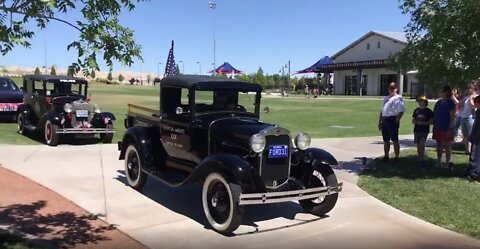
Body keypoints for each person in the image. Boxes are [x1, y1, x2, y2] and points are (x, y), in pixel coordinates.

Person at [378, 82, 405, 163]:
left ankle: (396, 157)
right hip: (385, 120)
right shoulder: (386, 98)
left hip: (392, 119)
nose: (391, 89)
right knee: (386, 140)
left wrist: (397, 120)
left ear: (396, 89)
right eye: (390, 88)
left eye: (393, 88)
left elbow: (401, 111)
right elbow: (382, 111)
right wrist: (380, 122)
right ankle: (386, 156)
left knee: (395, 140)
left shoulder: (398, 98)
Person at [432, 85, 456, 169]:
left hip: (447, 128)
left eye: (441, 91)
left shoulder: (450, 103)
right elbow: (434, 115)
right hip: (438, 127)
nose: (439, 92)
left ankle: (447, 163)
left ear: (446, 92)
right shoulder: (438, 102)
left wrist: (450, 128)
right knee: (439, 145)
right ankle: (439, 161)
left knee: (447, 145)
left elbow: (452, 117)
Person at [412, 95, 434, 166]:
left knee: (422, 144)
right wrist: (415, 121)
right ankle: (419, 158)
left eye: (421, 101)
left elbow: (431, 122)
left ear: (425, 102)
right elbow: (413, 119)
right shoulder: (416, 110)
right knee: (418, 145)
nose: (420, 102)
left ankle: (422, 159)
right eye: (419, 101)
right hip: (417, 129)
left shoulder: (429, 111)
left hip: (424, 130)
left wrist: (422, 123)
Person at [458, 82, 478, 154]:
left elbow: (473, 106)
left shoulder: (476, 97)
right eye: (468, 88)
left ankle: (473, 150)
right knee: (465, 135)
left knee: (471, 135)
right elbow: (459, 103)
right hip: (463, 117)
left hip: (470, 118)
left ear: (474, 89)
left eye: (470, 88)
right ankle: (467, 150)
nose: (468, 90)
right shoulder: (466, 97)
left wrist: (471, 99)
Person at [465, 95, 480, 182]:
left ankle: (473, 174)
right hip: (475, 137)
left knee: (475, 157)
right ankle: (471, 171)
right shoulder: (478, 111)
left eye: (476, 102)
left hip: (477, 138)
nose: (474, 104)